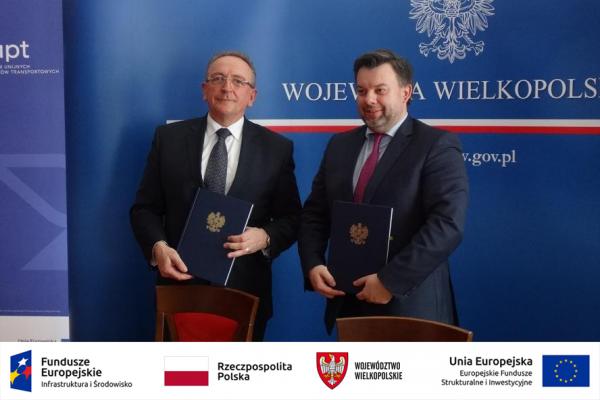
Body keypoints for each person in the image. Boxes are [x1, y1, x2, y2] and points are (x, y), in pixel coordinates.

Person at [130, 51, 301, 341]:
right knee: (179, 371)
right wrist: (158, 248)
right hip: (178, 290)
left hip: (245, 294)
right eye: (218, 79)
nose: (227, 87)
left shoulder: (277, 149)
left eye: (238, 81)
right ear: (204, 89)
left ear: (252, 96)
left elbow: (293, 218)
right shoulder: (168, 139)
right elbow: (144, 209)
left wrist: (265, 237)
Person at [298, 49, 468, 333]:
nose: (369, 99)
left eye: (380, 90)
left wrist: (389, 281)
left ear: (405, 93)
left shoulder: (436, 145)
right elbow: (315, 214)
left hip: (410, 306)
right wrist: (313, 264)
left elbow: (447, 225)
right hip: (348, 302)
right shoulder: (339, 145)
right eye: (361, 91)